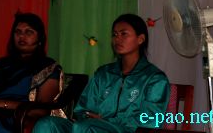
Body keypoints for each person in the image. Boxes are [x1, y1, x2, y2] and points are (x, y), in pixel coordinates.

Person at [33, 13, 170, 133]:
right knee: (47, 124)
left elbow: (151, 119)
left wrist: (107, 120)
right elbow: (82, 109)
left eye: (124, 34)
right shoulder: (104, 74)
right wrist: (90, 118)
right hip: (89, 128)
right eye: (114, 34)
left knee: (86, 128)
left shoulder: (154, 78)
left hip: (126, 130)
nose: (117, 39)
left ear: (140, 39)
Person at [0, 13, 64, 133]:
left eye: (29, 32)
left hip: (18, 117)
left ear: (40, 38)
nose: (21, 36)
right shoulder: (1, 63)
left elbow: (41, 110)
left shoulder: (48, 66)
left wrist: (2, 104)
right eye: (18, 32)